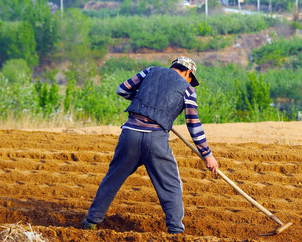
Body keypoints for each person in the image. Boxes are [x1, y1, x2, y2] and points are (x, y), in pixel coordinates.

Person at [81, 56, 218, 234]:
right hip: (155, 141)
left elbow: (122, 90)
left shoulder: (150, 71)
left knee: (112, 179)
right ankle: (176, 231)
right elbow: (193, 123)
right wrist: (207, 154)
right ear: (187, 72)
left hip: (129, 134)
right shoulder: (188, 89)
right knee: (171, 186)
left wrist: (143, 103)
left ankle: (91, 221)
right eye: (190, 78)